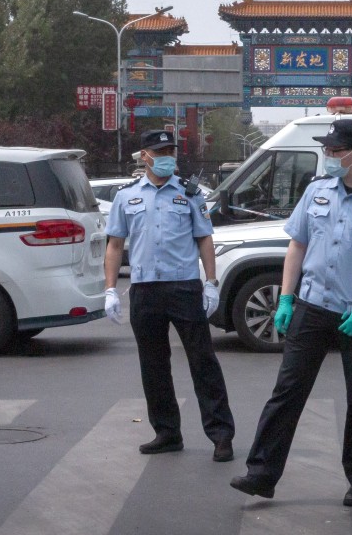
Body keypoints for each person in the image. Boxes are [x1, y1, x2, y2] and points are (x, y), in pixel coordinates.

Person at [230, 119, 352, 507]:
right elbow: (297, 246)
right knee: (287, 392)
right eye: (327, 150)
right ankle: (261, 474)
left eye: (334, 151)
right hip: (312, 308)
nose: (328, 156)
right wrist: (285, 298)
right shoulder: (316, 191)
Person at [104, 129, 235, 461]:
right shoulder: (126, 196)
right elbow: (115, 244)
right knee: (153, 365)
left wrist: (210, 282)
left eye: (170, 151)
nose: (167, 157)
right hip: (145, 289)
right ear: (144, 156)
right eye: (160, 151)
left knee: (202, 362)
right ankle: (166, 432)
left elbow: (204, 238)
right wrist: (109, 290)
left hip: (183, 287)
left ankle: (221, 435)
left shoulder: (189, 194)